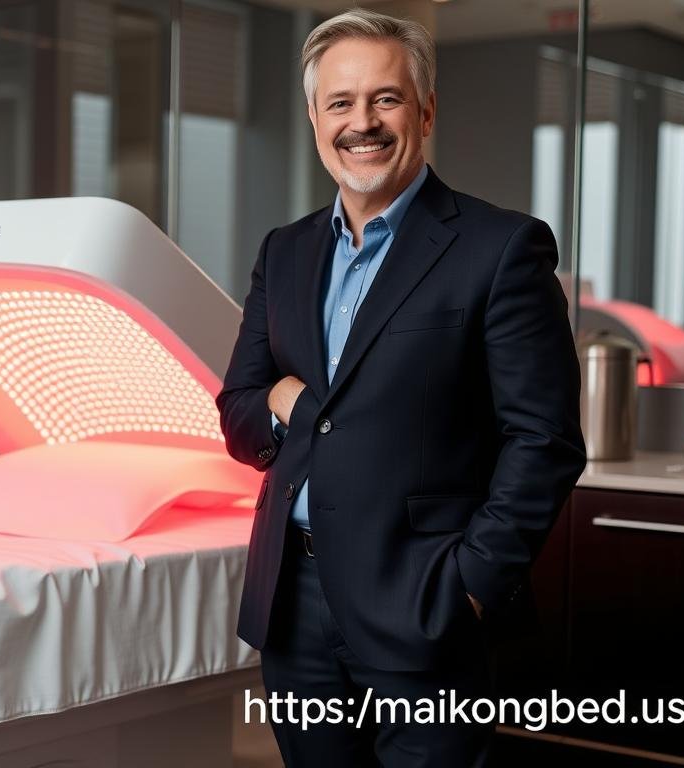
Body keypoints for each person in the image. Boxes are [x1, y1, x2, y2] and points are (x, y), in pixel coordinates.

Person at [215, 8, 587, 766]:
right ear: (316, 118)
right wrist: (282, 402)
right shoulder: (283, 253)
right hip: (294, 606)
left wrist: (469, 588)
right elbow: (239, 410)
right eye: (341, 103)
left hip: (425, 605)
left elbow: (543, 441)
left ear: (424, 110)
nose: (364, 123)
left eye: (385, 99)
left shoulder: (501, 248)